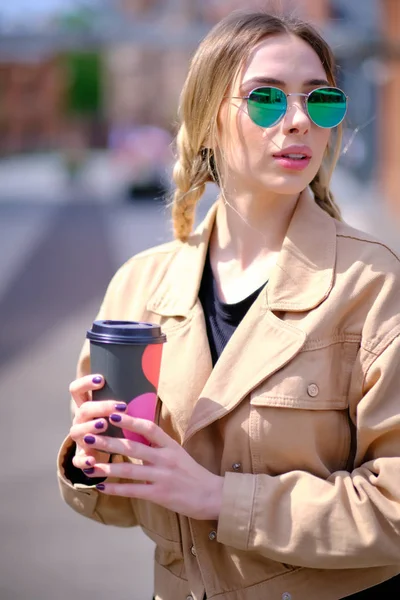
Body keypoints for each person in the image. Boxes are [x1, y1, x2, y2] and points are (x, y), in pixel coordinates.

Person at [57, 9, 400, 600]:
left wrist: (219, 498)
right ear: (207, 118)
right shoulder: (141, 286)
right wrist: (91, 459)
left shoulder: (371, 283)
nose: (297, 120)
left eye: (319, 101)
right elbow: (114, 508)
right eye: (264, 99)